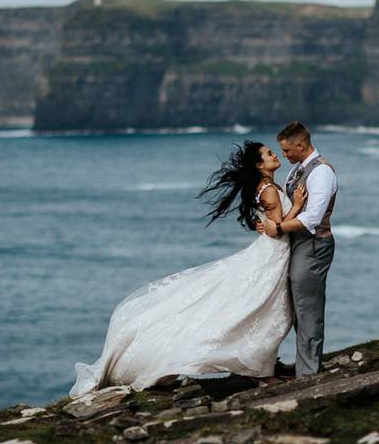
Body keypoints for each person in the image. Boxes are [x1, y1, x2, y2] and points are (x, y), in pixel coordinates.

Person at [69, 140, 307, 397]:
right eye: (269, 154)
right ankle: (264, 373)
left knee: (261, 310)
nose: (274, 155)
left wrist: (265, 221)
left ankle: (264, 368)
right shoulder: (269, 189)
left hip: (272, 253)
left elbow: (263, 222)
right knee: (262, 310)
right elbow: (277, 227)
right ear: (260, 165)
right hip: (271, 255)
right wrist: (296, 203)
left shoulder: (263, 187)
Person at [259, 121, 338, 378]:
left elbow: (313, 217)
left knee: (309, 308)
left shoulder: (321, 173)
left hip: (314, 245)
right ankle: (304, 365)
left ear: (301, 145)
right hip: (298, 243)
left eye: (286, 150)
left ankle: (308, 374)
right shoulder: (297, 170)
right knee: (294, 308)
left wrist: (278, 228)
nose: (284, 155)